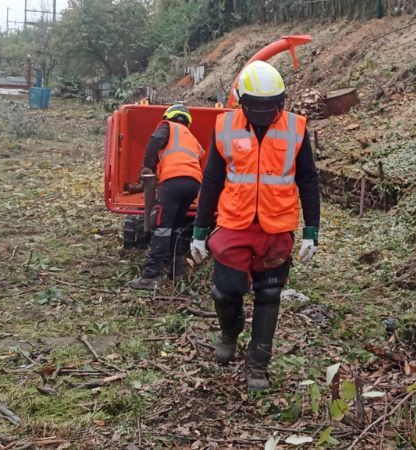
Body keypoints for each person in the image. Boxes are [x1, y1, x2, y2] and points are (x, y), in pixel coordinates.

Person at [190, 60, 320, 393]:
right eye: (256, 106)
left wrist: (311, 231)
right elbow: (212, 180)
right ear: (241, 101)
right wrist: (200, 231)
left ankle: (258, 362)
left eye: (271, 106)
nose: (264, 112)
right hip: (234, 223)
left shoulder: (296, 128)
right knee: (226, 290)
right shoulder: (224, 127)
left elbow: (307, 179)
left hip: (277, 227)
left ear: (281, 100)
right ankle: (229, 331)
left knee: (269, 294)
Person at [128, 104, 204, 290]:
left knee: (161, 226)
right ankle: (176, 270)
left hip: (173, 182)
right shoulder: (191, 138)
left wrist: (148, 168)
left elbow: (155, 141)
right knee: (175, 227)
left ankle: (151, 276)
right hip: (193, 184)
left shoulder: (167, 126)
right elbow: (199, 156)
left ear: (169, 116)